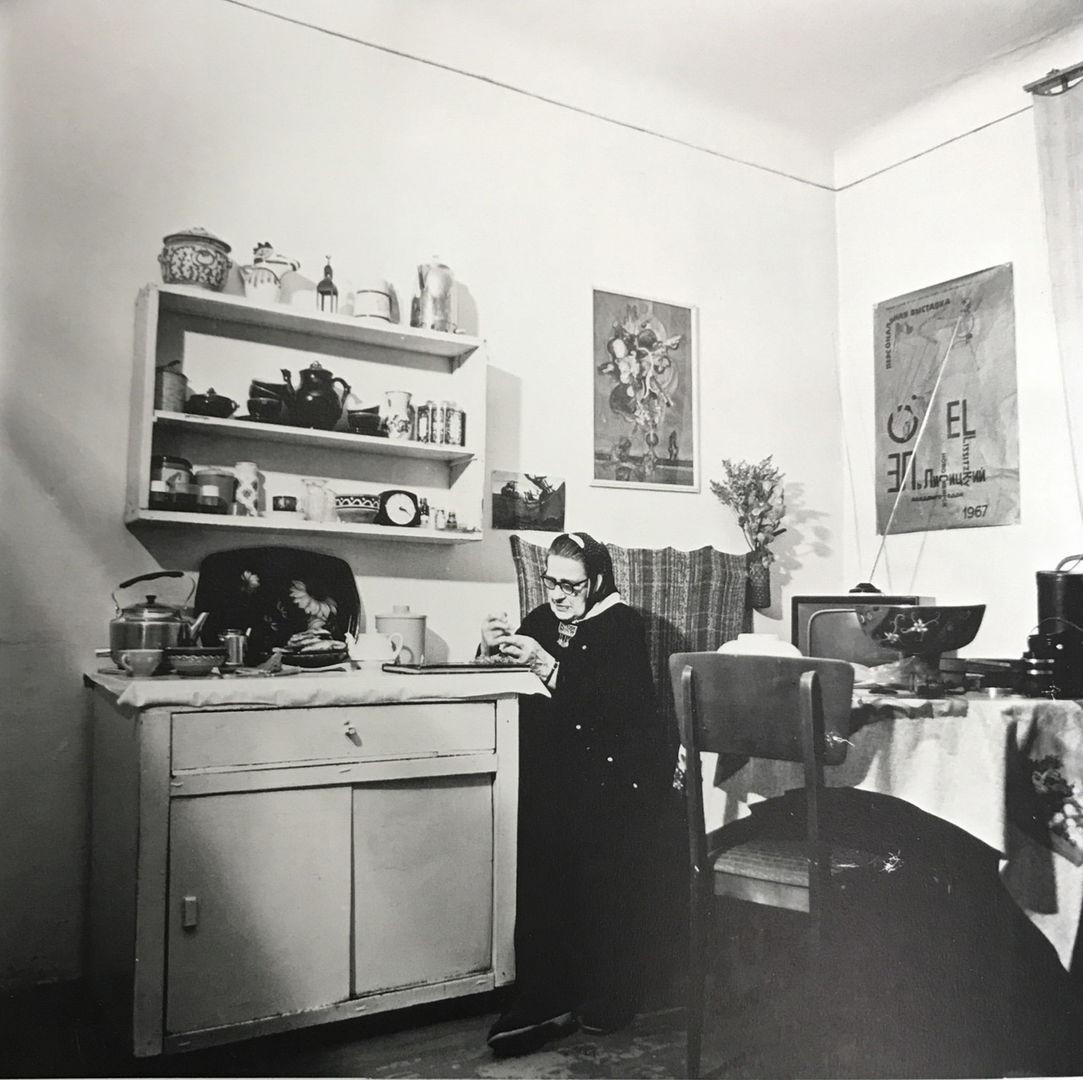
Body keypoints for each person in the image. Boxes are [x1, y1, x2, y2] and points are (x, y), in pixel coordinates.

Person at [480, 531, 668, 1057]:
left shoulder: (620, 625)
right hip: (552, 774)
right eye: (551, 582)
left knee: (599, 875)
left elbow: (621, 717)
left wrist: (550, 666)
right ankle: (542, 993)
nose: (558, 595)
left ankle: (608, 995)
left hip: (610, 781)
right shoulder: (543, 617)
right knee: (540, 867)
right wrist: (491, 645)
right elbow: (518, 671)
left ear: (598, 581)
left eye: (570, 585)